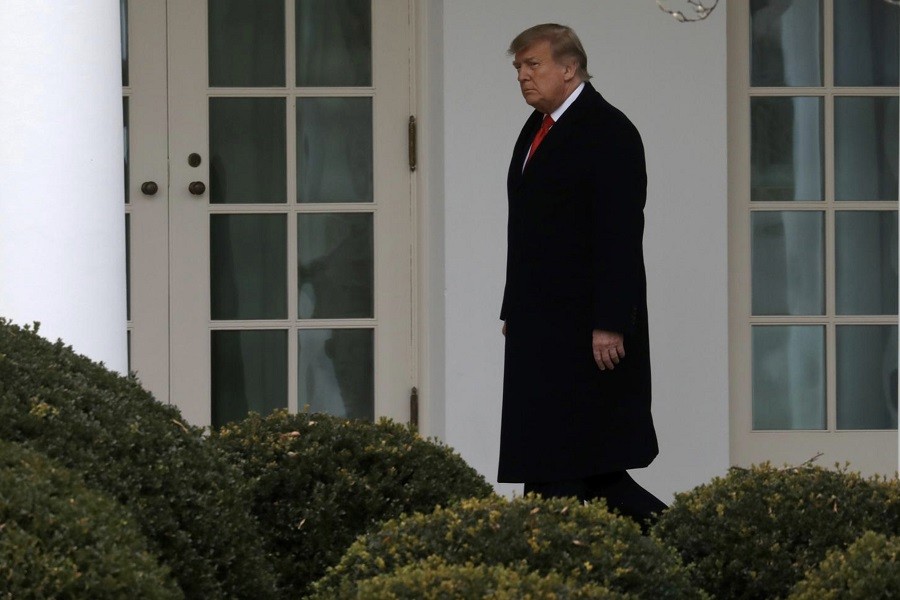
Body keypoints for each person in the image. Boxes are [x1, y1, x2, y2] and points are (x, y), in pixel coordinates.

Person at [498, 23, 666, 528]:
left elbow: (618, 233)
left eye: (534, 65)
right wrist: (514, 308)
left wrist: (612, 320)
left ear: (569, 68)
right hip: (541, 327)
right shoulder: (537, 127)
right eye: (518, 69)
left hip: (586, 331)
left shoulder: (609, 131)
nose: (523, 77)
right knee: (558, 464)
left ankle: (690, 545)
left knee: (580, 465)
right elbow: (527, 230)